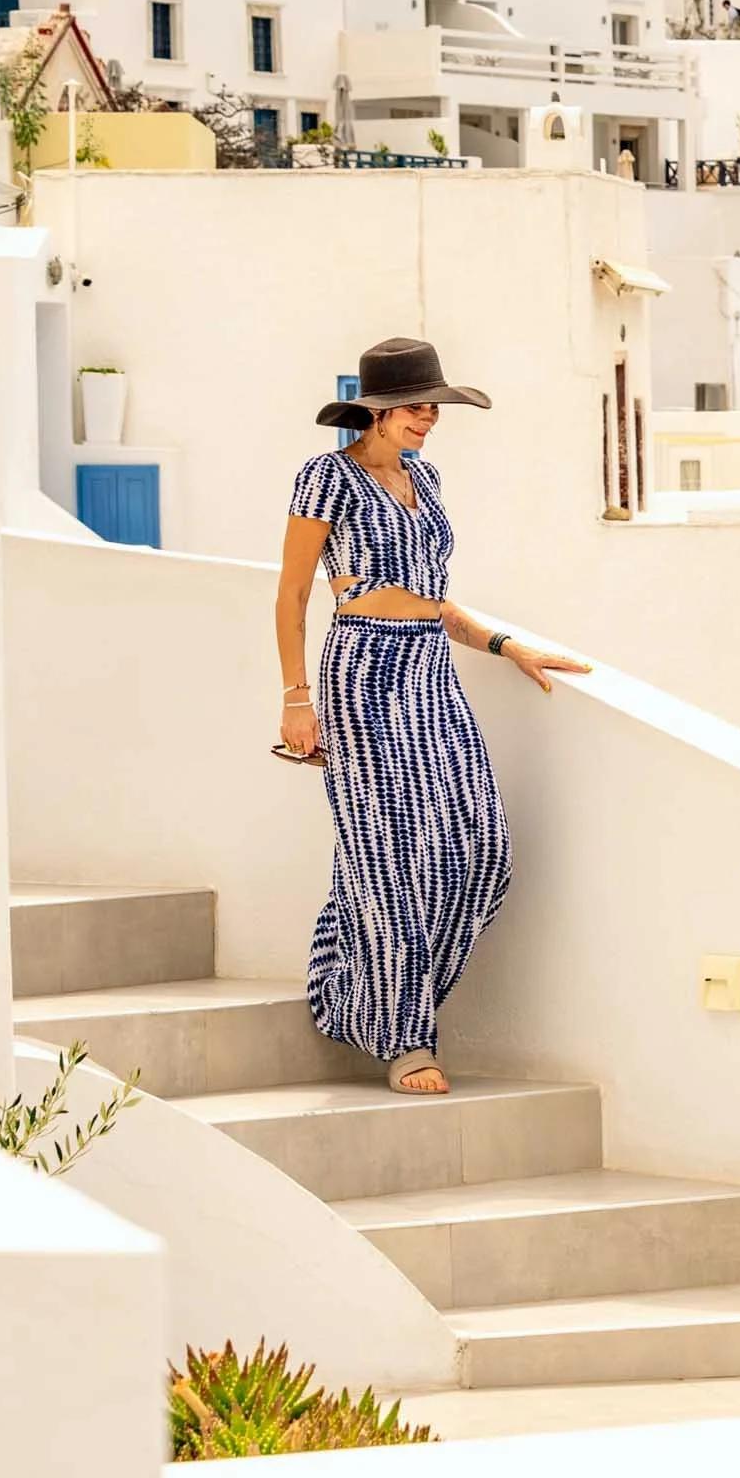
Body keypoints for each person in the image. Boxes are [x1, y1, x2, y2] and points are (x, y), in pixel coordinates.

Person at [276, 339, 588, 1096]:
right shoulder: (326, 477)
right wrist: (295, 699)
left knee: (483, 852)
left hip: (430, 668)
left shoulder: (427, 477)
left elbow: (433, 597)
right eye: (418, 407)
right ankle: (407, 1040)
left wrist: (506, 643)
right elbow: (291, 596)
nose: (429, 420)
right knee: (385, 859)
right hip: (362, 670)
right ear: (378, 410)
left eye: (435, 409)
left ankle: (357, 988)